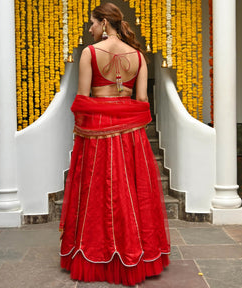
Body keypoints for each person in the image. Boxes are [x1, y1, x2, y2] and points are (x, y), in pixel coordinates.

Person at [59, 3, 170, 286]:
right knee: (132, 191)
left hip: (97, 128)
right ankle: (137, 253)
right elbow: (143, 101)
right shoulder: (138, 56)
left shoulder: (90, 53)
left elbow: (84, 98)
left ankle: (98, 252)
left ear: (105, 23)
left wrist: (82, 130)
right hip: (131, 131)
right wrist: (126, 113)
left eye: (93, 23)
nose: (90, 28)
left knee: (99, 190)